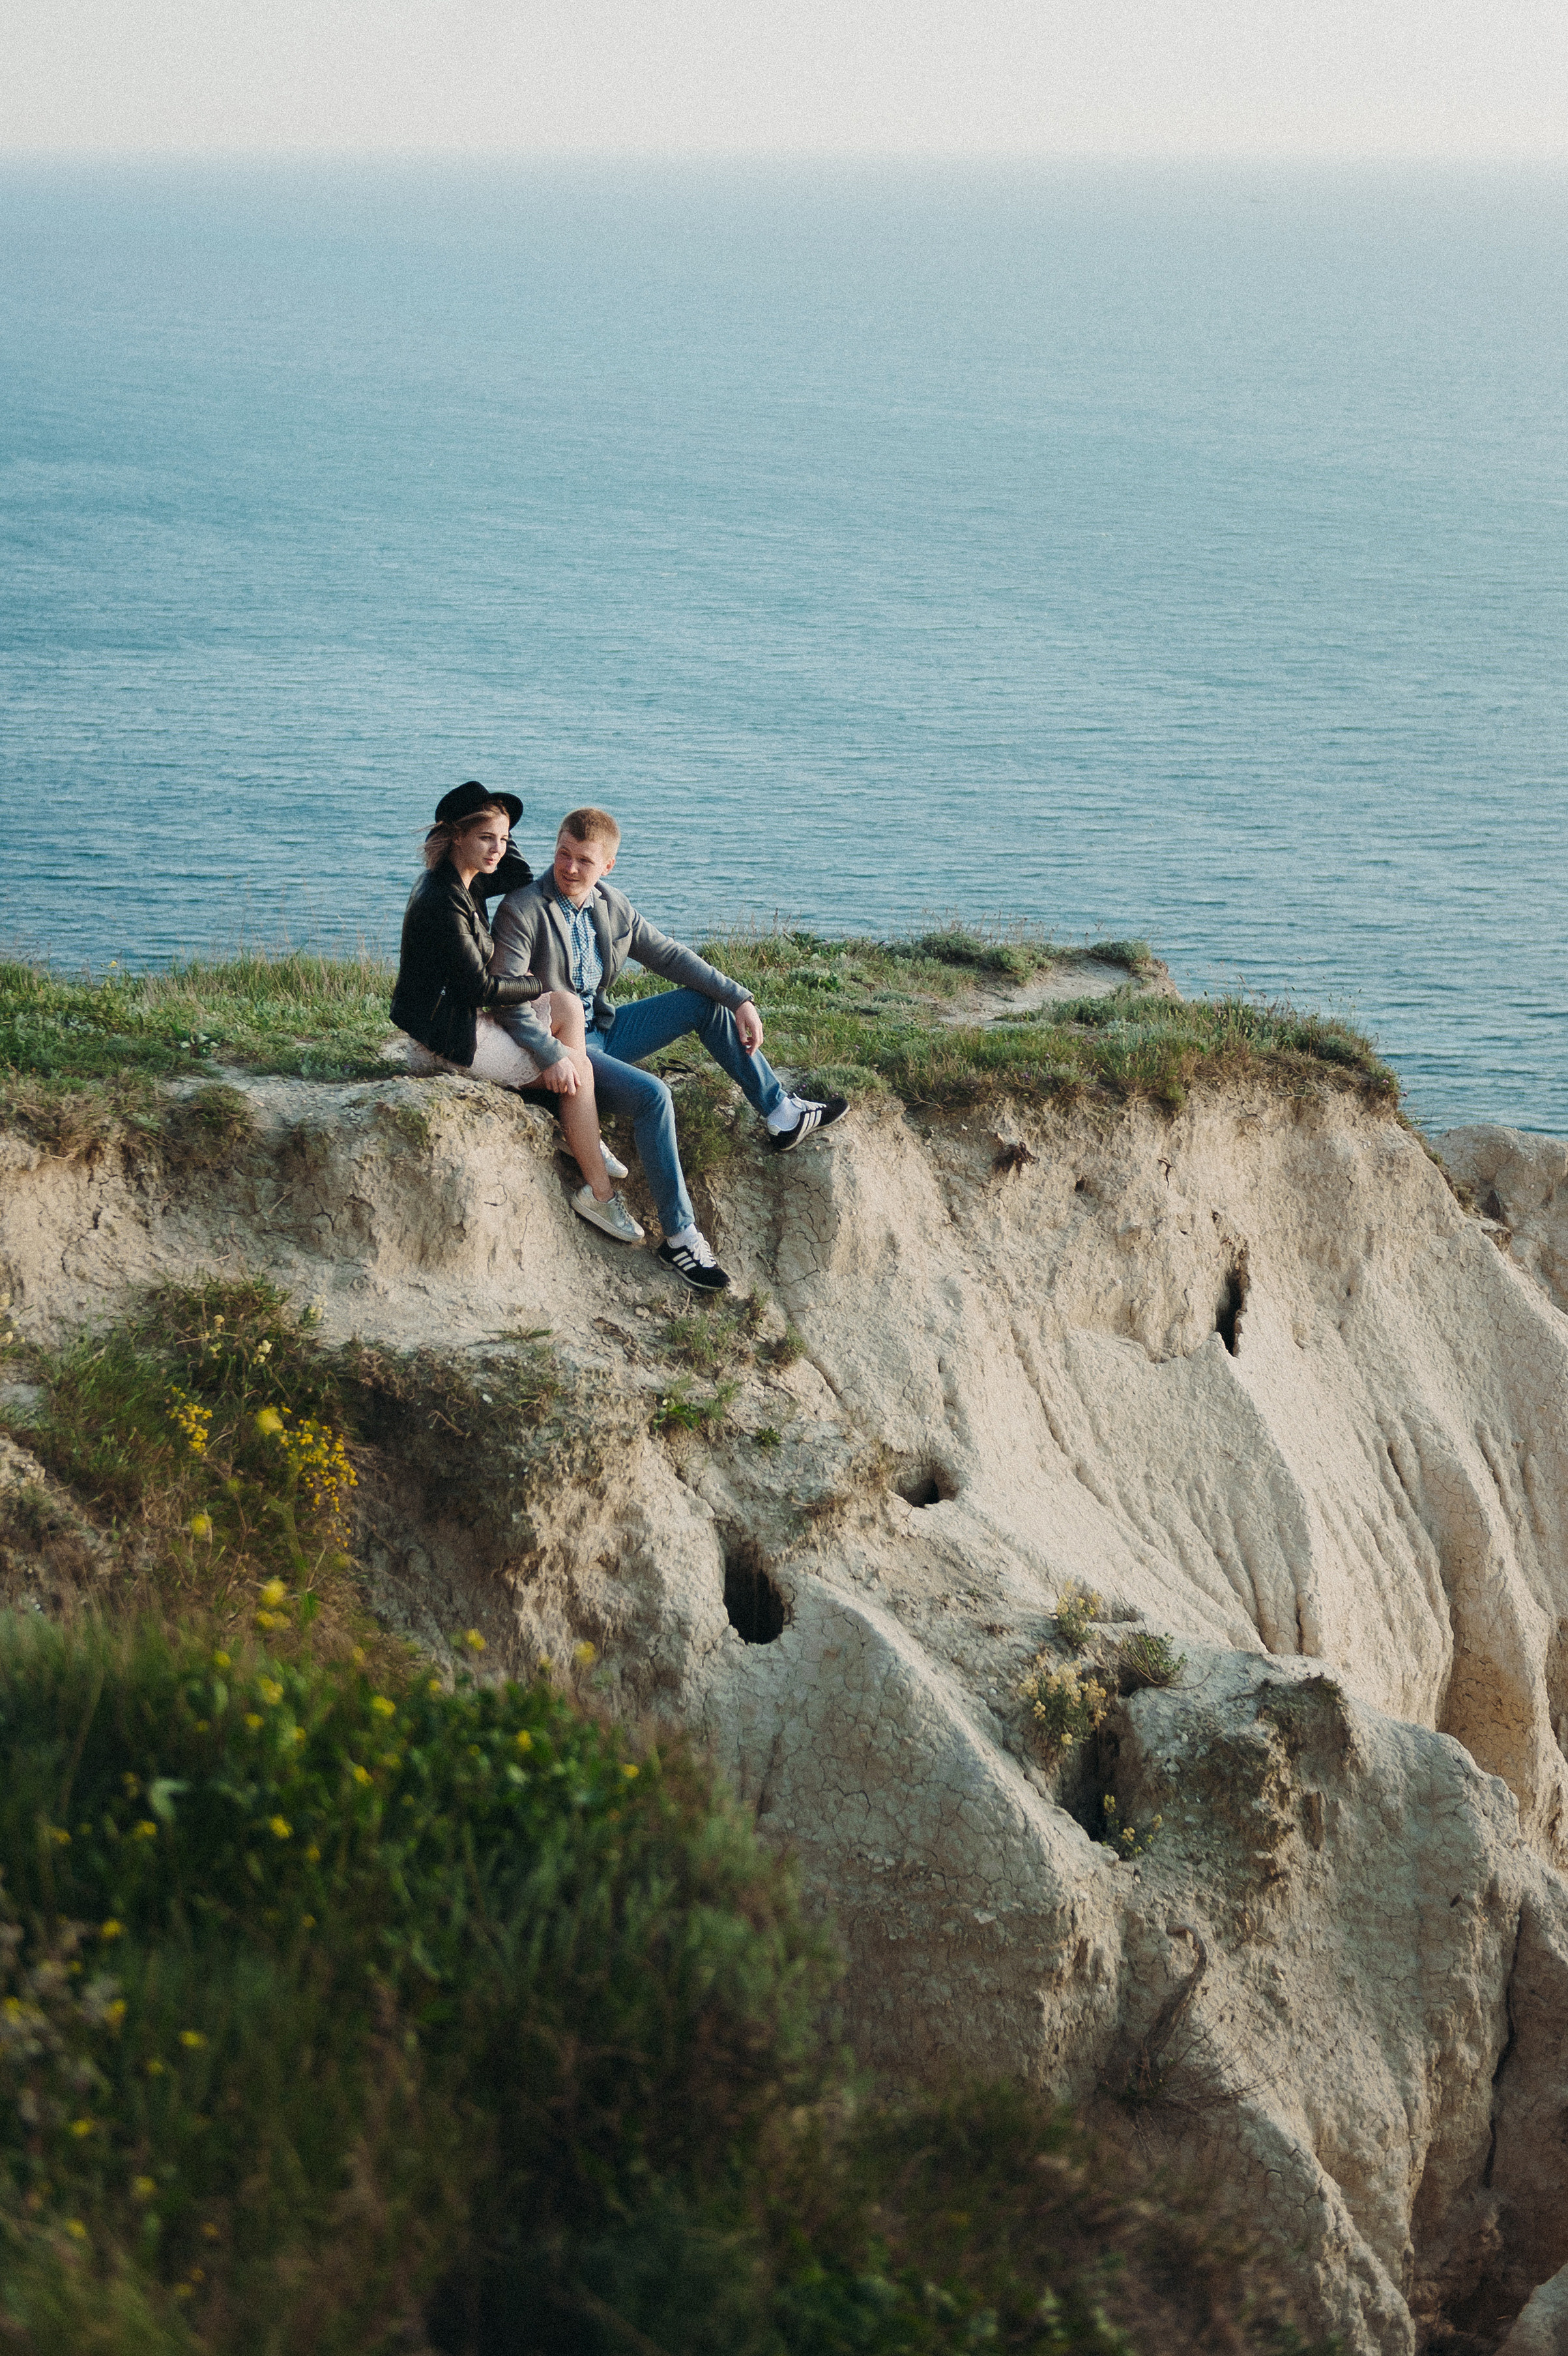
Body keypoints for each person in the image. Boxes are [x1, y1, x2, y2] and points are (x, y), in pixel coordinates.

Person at [490, 805, 847, 1293]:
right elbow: (505, 1000)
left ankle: (781, 1112)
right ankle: (680, 1236)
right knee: (654, 1096)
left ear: (607, 867)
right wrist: (551, 1054)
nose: (569, 868)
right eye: (563, 854)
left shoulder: (611, 906)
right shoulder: (523, 909)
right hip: (564, 1048)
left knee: (703, 1004)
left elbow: (670, 955)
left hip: (607, 1031)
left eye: (584, 861)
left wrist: (739, 996)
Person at [389, 783, 643, 1244]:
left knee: (567, 1006)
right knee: (574, 1065)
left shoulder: (468, 878)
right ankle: (600, 1196)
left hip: (459, 1018)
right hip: (445, 1040)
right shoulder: (442, 900)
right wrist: (536, 984)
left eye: (503, 839)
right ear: (456, 836)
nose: (498, 850)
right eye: (487, 838)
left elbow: (521, 874)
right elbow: (482, 988)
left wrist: (501, 822)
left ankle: (577, 1125)